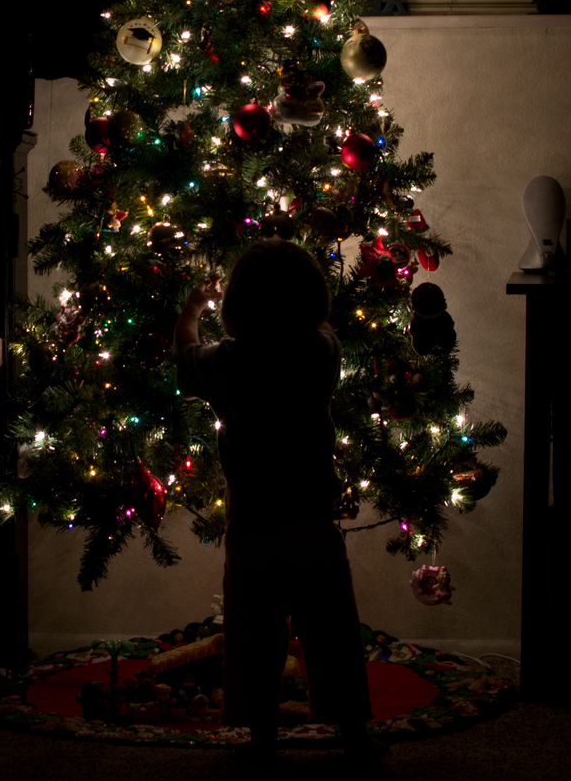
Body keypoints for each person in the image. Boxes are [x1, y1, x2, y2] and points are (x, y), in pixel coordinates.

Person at [173, 238, 386, 766]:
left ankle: (261, 738)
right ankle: (354, 734)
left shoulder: (228, 361)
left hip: (253, 525)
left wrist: (193, 310)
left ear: (237, 305)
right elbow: (322, 329)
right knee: (332, 633)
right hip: (312, 520)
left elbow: (185, 362)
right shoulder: (321, 352)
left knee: (255, 637)